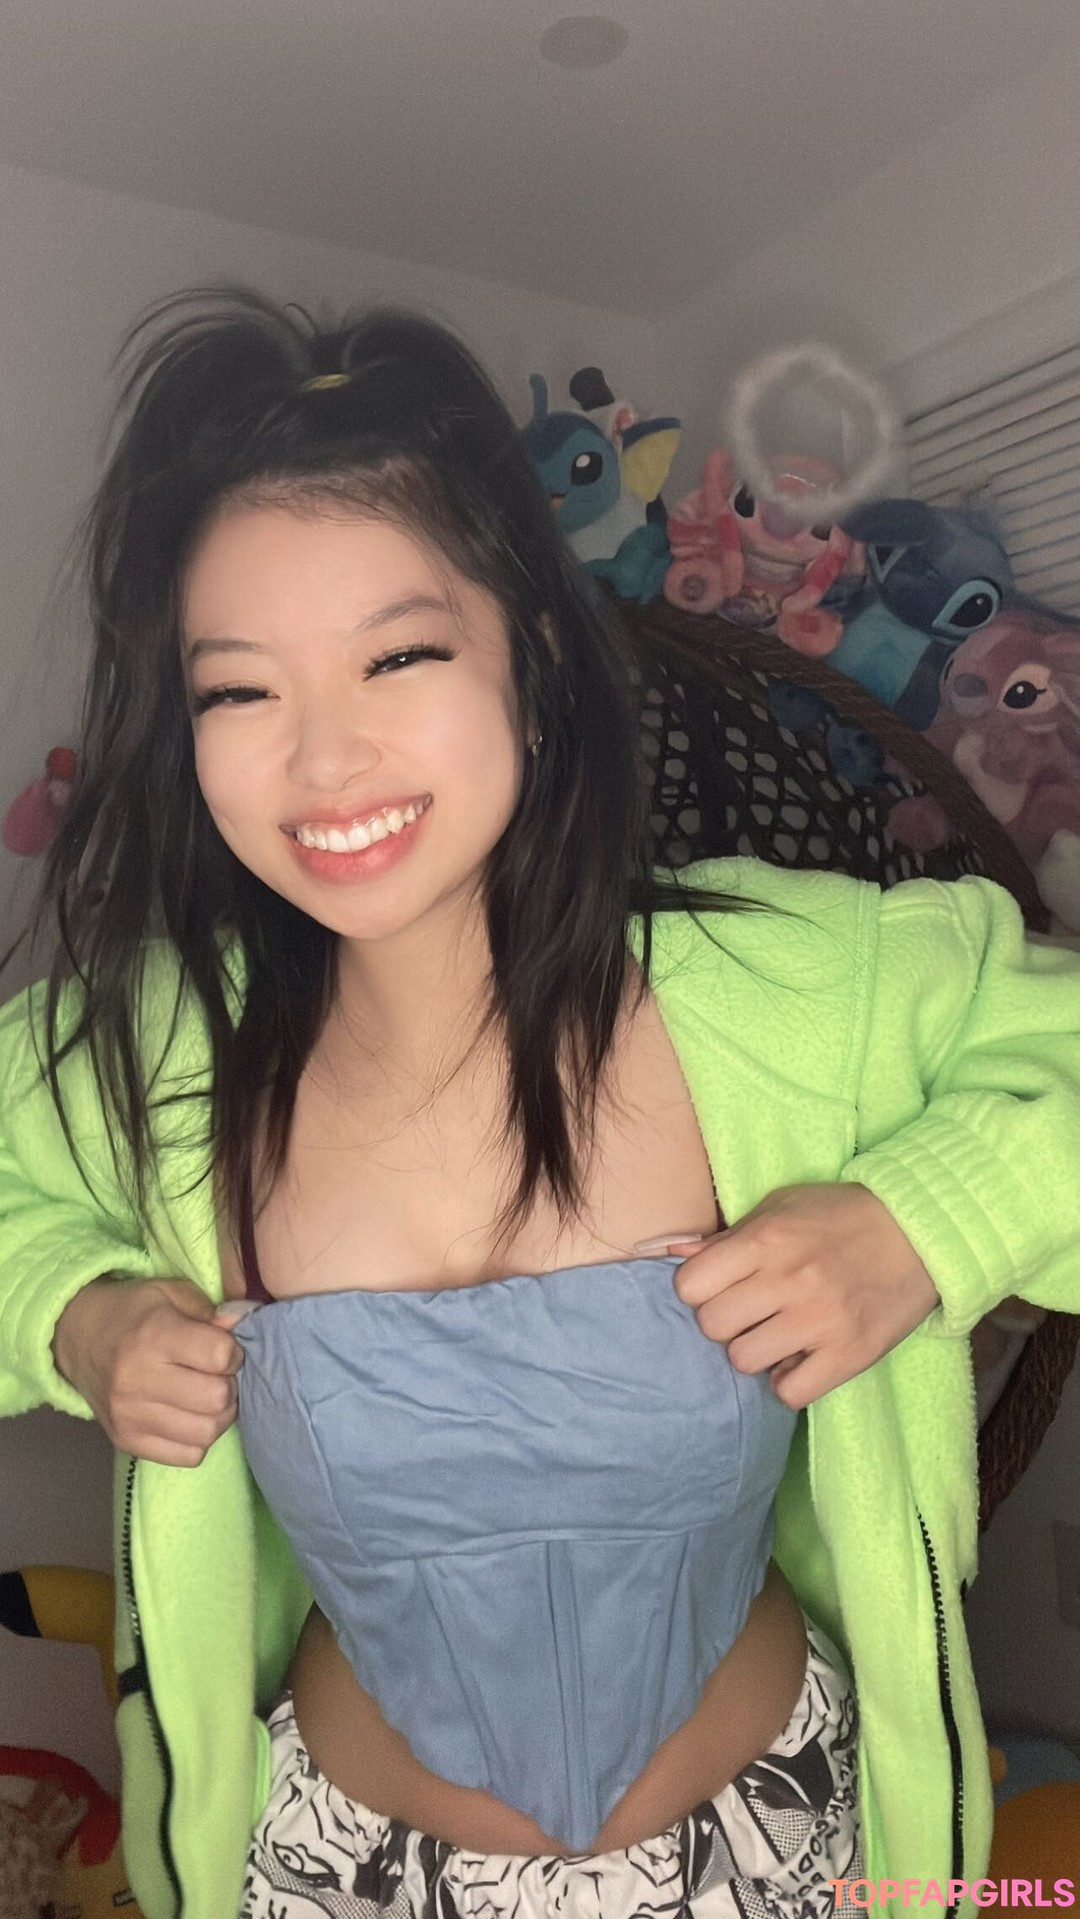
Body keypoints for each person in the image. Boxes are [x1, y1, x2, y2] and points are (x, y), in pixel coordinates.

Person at [1, 289, 1078, 1919]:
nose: (325, 759)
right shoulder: (149, 1059)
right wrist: (71, 1315)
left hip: (786, 1855)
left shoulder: (805, 988)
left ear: (535, 657)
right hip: (334, 1878)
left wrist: (928, 1223)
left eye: (399, 655)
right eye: (239, 692)